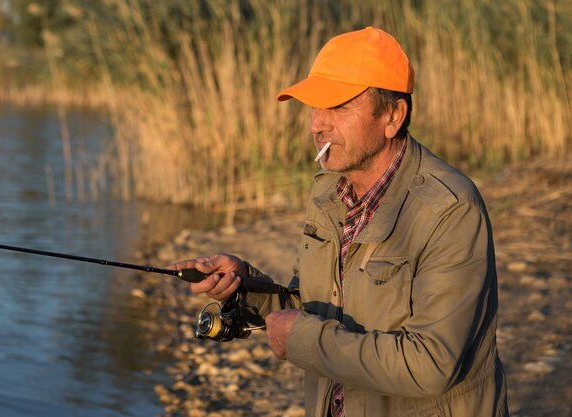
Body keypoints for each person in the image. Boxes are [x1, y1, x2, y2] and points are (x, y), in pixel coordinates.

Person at [168, 27, 508, 417]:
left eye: (339, 106)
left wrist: (303, 340)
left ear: (393, 116)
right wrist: (245, 288)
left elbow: (431, 364)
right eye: (313, 106)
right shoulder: (327, 193)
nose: (317, 125)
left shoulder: (450, 209)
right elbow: (314, 307)